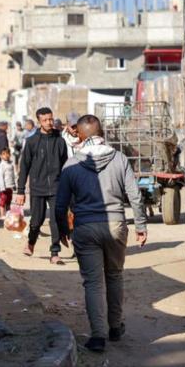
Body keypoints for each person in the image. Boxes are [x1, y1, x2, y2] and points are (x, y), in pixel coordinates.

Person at [55, 114, 148, 353]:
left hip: (85, 228)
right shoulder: (119, 159)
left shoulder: (72, 164)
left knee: (93, 283)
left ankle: (98, 336)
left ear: (80, 136)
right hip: (116, 225)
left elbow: (60, 204)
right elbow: (134, 195)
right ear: (102, 132)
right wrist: (140, 226)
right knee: (115, 275)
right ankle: (115, 327)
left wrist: (63, 230)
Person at [16, 107, 68, 264]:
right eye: (45, 120)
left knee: (55, 220)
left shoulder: (60, 141)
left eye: (51, 119)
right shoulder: (32, 142)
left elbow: (65, 165)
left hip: (56, 187)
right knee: (36, 221)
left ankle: (54, 252)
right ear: (39, 121)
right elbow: (24, 166)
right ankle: (31, 242)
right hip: (37, 188)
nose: (49, 122)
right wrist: (20, 191)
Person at [0, 147, 16, 220]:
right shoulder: (1, 165)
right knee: (3, 200)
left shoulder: (10, 164)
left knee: (9, 201)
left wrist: (14, 185)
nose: (6, 155)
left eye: (7, 153)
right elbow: (0, 177)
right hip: (4, 187)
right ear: (0, 156)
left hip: (9, 187)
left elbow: (13, 176)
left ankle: (8, 213)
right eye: (4, 154)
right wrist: (2, 187)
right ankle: (1, 214)